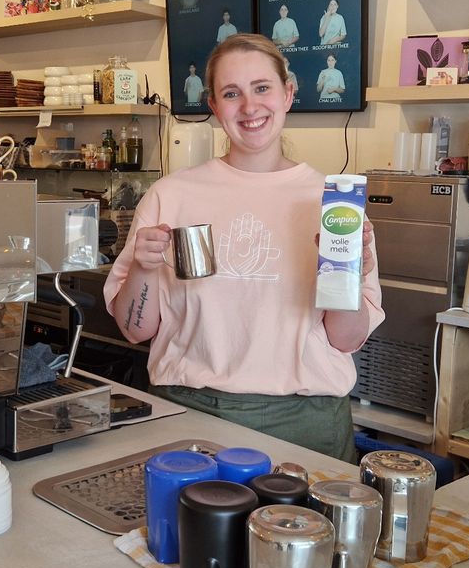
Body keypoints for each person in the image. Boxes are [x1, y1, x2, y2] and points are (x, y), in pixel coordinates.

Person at [103, 34, 383, 462]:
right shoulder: (172, 196)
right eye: (232, 93)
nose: (250, 107)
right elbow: (135, 330)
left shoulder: (334, 205)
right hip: (190, 412)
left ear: (288, 94)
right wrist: (141, 267)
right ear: (214, 106)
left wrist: (347, 274)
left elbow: (345, 340)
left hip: (307, 421)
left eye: (262, 88)